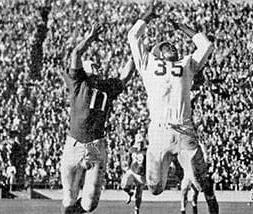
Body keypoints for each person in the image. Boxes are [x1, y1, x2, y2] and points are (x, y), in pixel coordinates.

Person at [127, 1, 219, 213]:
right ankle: (172, 171)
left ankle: (209, 196)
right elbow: (205, 45)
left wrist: (173, 24)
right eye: (166, 45)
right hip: (161, 131)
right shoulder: (150, 62)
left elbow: (206, 46)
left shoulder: (182, 63)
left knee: (200, 183)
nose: (171, 45)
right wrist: (153, 17)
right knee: (155, 188)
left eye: (172, 45)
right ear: (158, 52)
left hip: (183, 129)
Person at [61, 23, 135, 214]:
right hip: (75, 143)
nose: (97, 65)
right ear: (84, 69)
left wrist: (135, 54)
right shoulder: (78, 82)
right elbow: (76, 54)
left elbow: (124, 78)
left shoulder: (107, 86)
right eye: (92, 64)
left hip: (94, 144)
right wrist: (90, 38)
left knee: (89, 203)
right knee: (69, 198)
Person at [121, 133, 147, 214]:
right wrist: (127, 168)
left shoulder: (147, 152)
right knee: (124, 185)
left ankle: (136, 209)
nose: (140, 144)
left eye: (142, 143)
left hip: (141, 175)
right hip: (132, 171)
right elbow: (129, 160)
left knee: (139, 195)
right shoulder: (132, 150)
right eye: (139, 142)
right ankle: (129, 193)